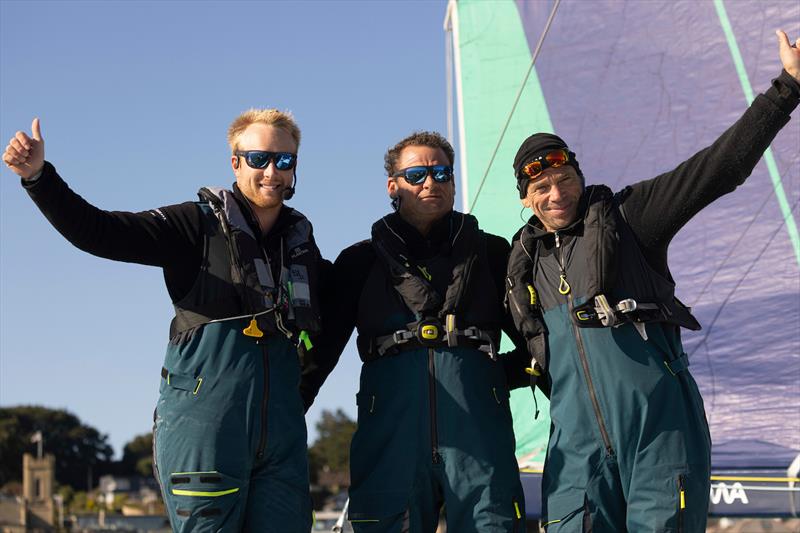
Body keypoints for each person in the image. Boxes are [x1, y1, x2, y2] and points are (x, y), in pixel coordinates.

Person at [505, 31, 800, 532]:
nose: (557, 194)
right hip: (576, 451)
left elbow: (718, 169)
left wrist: (787, 88)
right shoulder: (518, 264)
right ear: (526, 198)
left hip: (659, 435)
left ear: (579, 175)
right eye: (541, 187)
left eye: (565, 179)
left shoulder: (629, 218)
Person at [3, 109, 326, 532]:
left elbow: (331, 324)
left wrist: (301, 391)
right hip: (205, 431)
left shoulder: (302, 246)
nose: (272, 172)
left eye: (284, 161)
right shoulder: (193, 225)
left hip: (281, 437)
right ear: (235, 162)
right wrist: (39, 178)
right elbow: (100, 231)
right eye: (259, 159)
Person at [301, 131, 539, 532]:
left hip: (481, 438)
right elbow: (319, 357)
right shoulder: (359, 262)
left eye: (441, 172)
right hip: (391, 439)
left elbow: (537, 343)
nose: (431, 182)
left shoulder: (494, 254)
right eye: (417, 174)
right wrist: (279, 421)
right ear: (393, 186)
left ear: (453, 182)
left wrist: (493, 378)